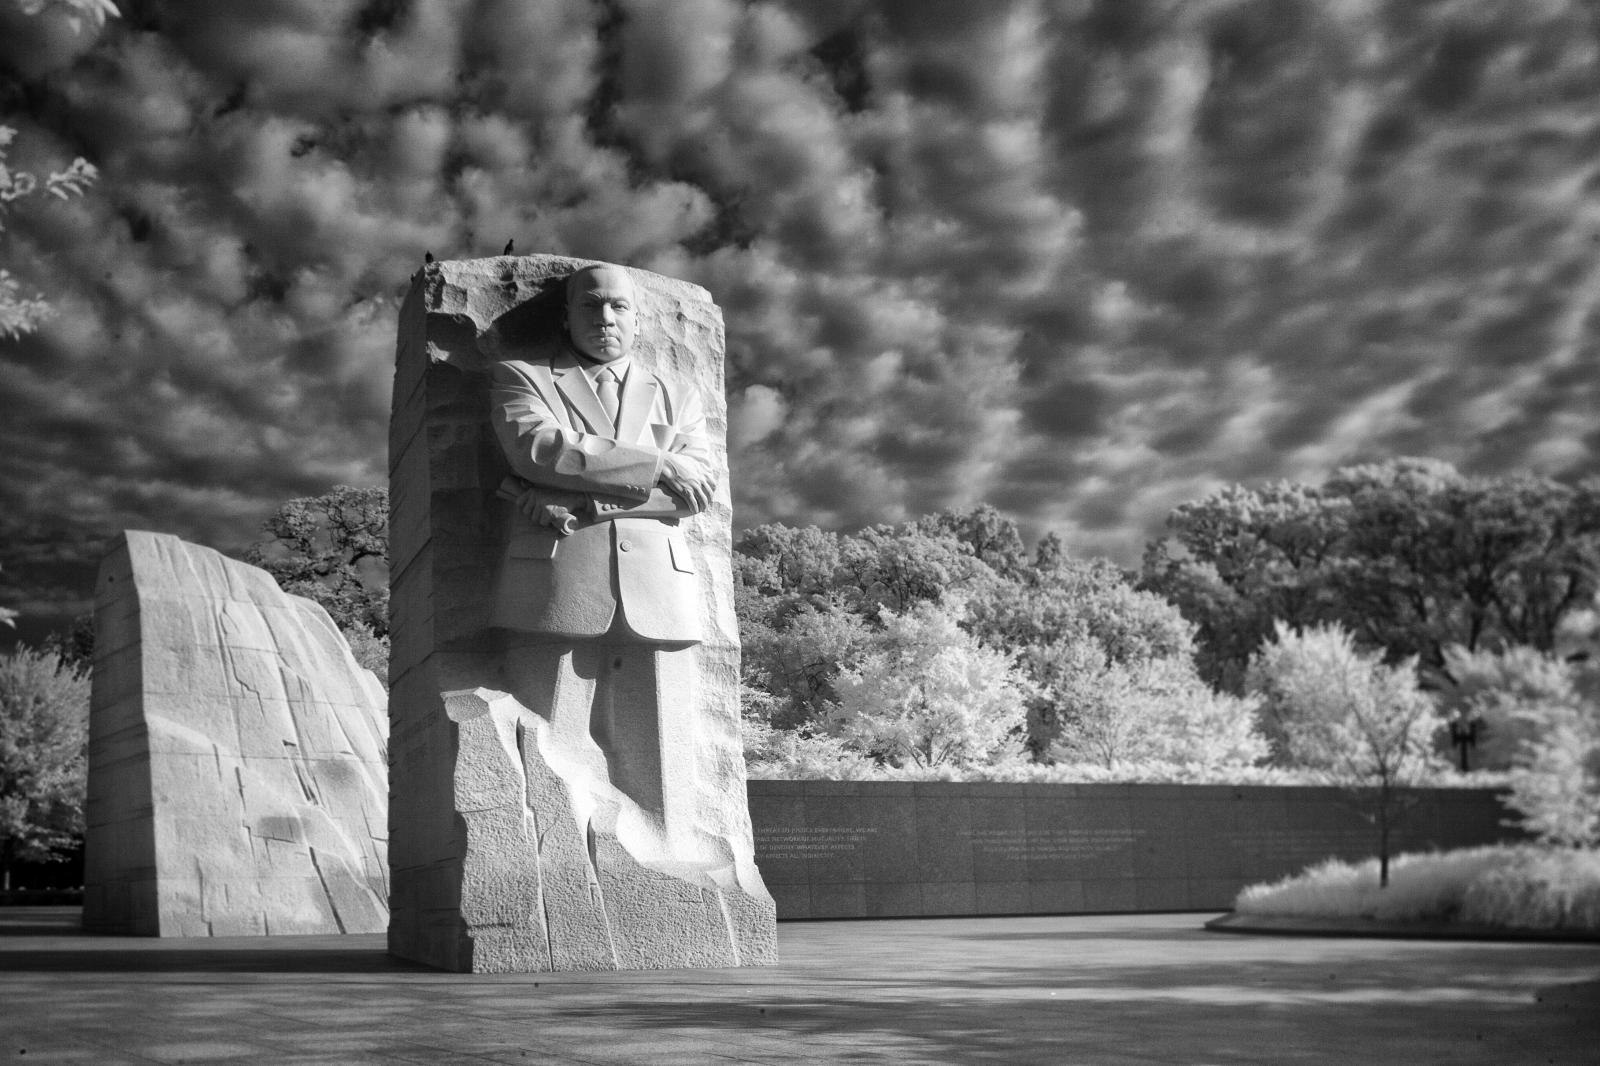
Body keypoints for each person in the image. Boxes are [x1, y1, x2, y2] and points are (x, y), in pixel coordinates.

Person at [487, 263, 715, 835]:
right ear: (566, 315)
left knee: (665, 764)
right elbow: (539, 451)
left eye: (618, 306)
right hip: (559, 581)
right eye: (590, 305)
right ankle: (562, 866)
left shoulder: (678, 394)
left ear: (639, 319)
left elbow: (694, 496)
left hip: (659, 588)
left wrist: (591, 501)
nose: (605, 318)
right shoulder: (524, 377)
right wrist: (659, 464)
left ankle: (673, 870)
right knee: (551, 754)